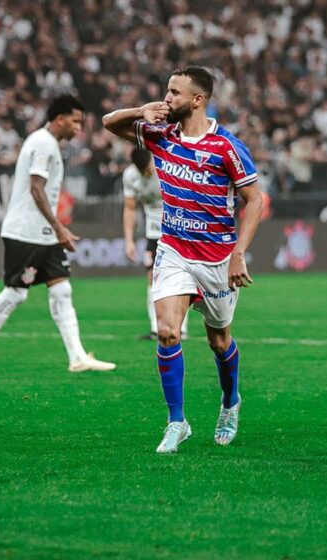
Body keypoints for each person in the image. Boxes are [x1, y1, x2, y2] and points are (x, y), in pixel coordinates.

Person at [103, 66, 265, 453]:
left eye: (174, 93)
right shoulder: (162, 136)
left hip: (216, 258)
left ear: (198, 99)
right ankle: (177, 421)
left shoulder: (226, 146)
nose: (167, 98)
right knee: (167, 332)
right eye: (166, 91)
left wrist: (238, 254)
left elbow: (255, 199)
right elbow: (110, 123)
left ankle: (230, 401)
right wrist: (141, 110)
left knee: (219, 340)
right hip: (173, 250)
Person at [0, 95, 116, 376]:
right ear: (60, 119)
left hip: (43, 233)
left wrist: (54, 231)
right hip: (26, 232)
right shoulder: (42, 143)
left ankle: (77, 356)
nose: (79, 127)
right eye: (76, 121)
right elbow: (36, 189)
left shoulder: (49, 144)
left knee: (62, 290)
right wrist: (60, 228)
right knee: (16, 293)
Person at [121, 147, 188, 340]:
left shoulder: (167, 167)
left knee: (180, 278)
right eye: (143, 171)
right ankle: (155, 328)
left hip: (177, 230)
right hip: (153, 234)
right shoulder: (131, 176)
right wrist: (129, 240)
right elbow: (130, 208)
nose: (147, 173)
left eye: (148, 168)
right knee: (152, 278)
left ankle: (180, 328)